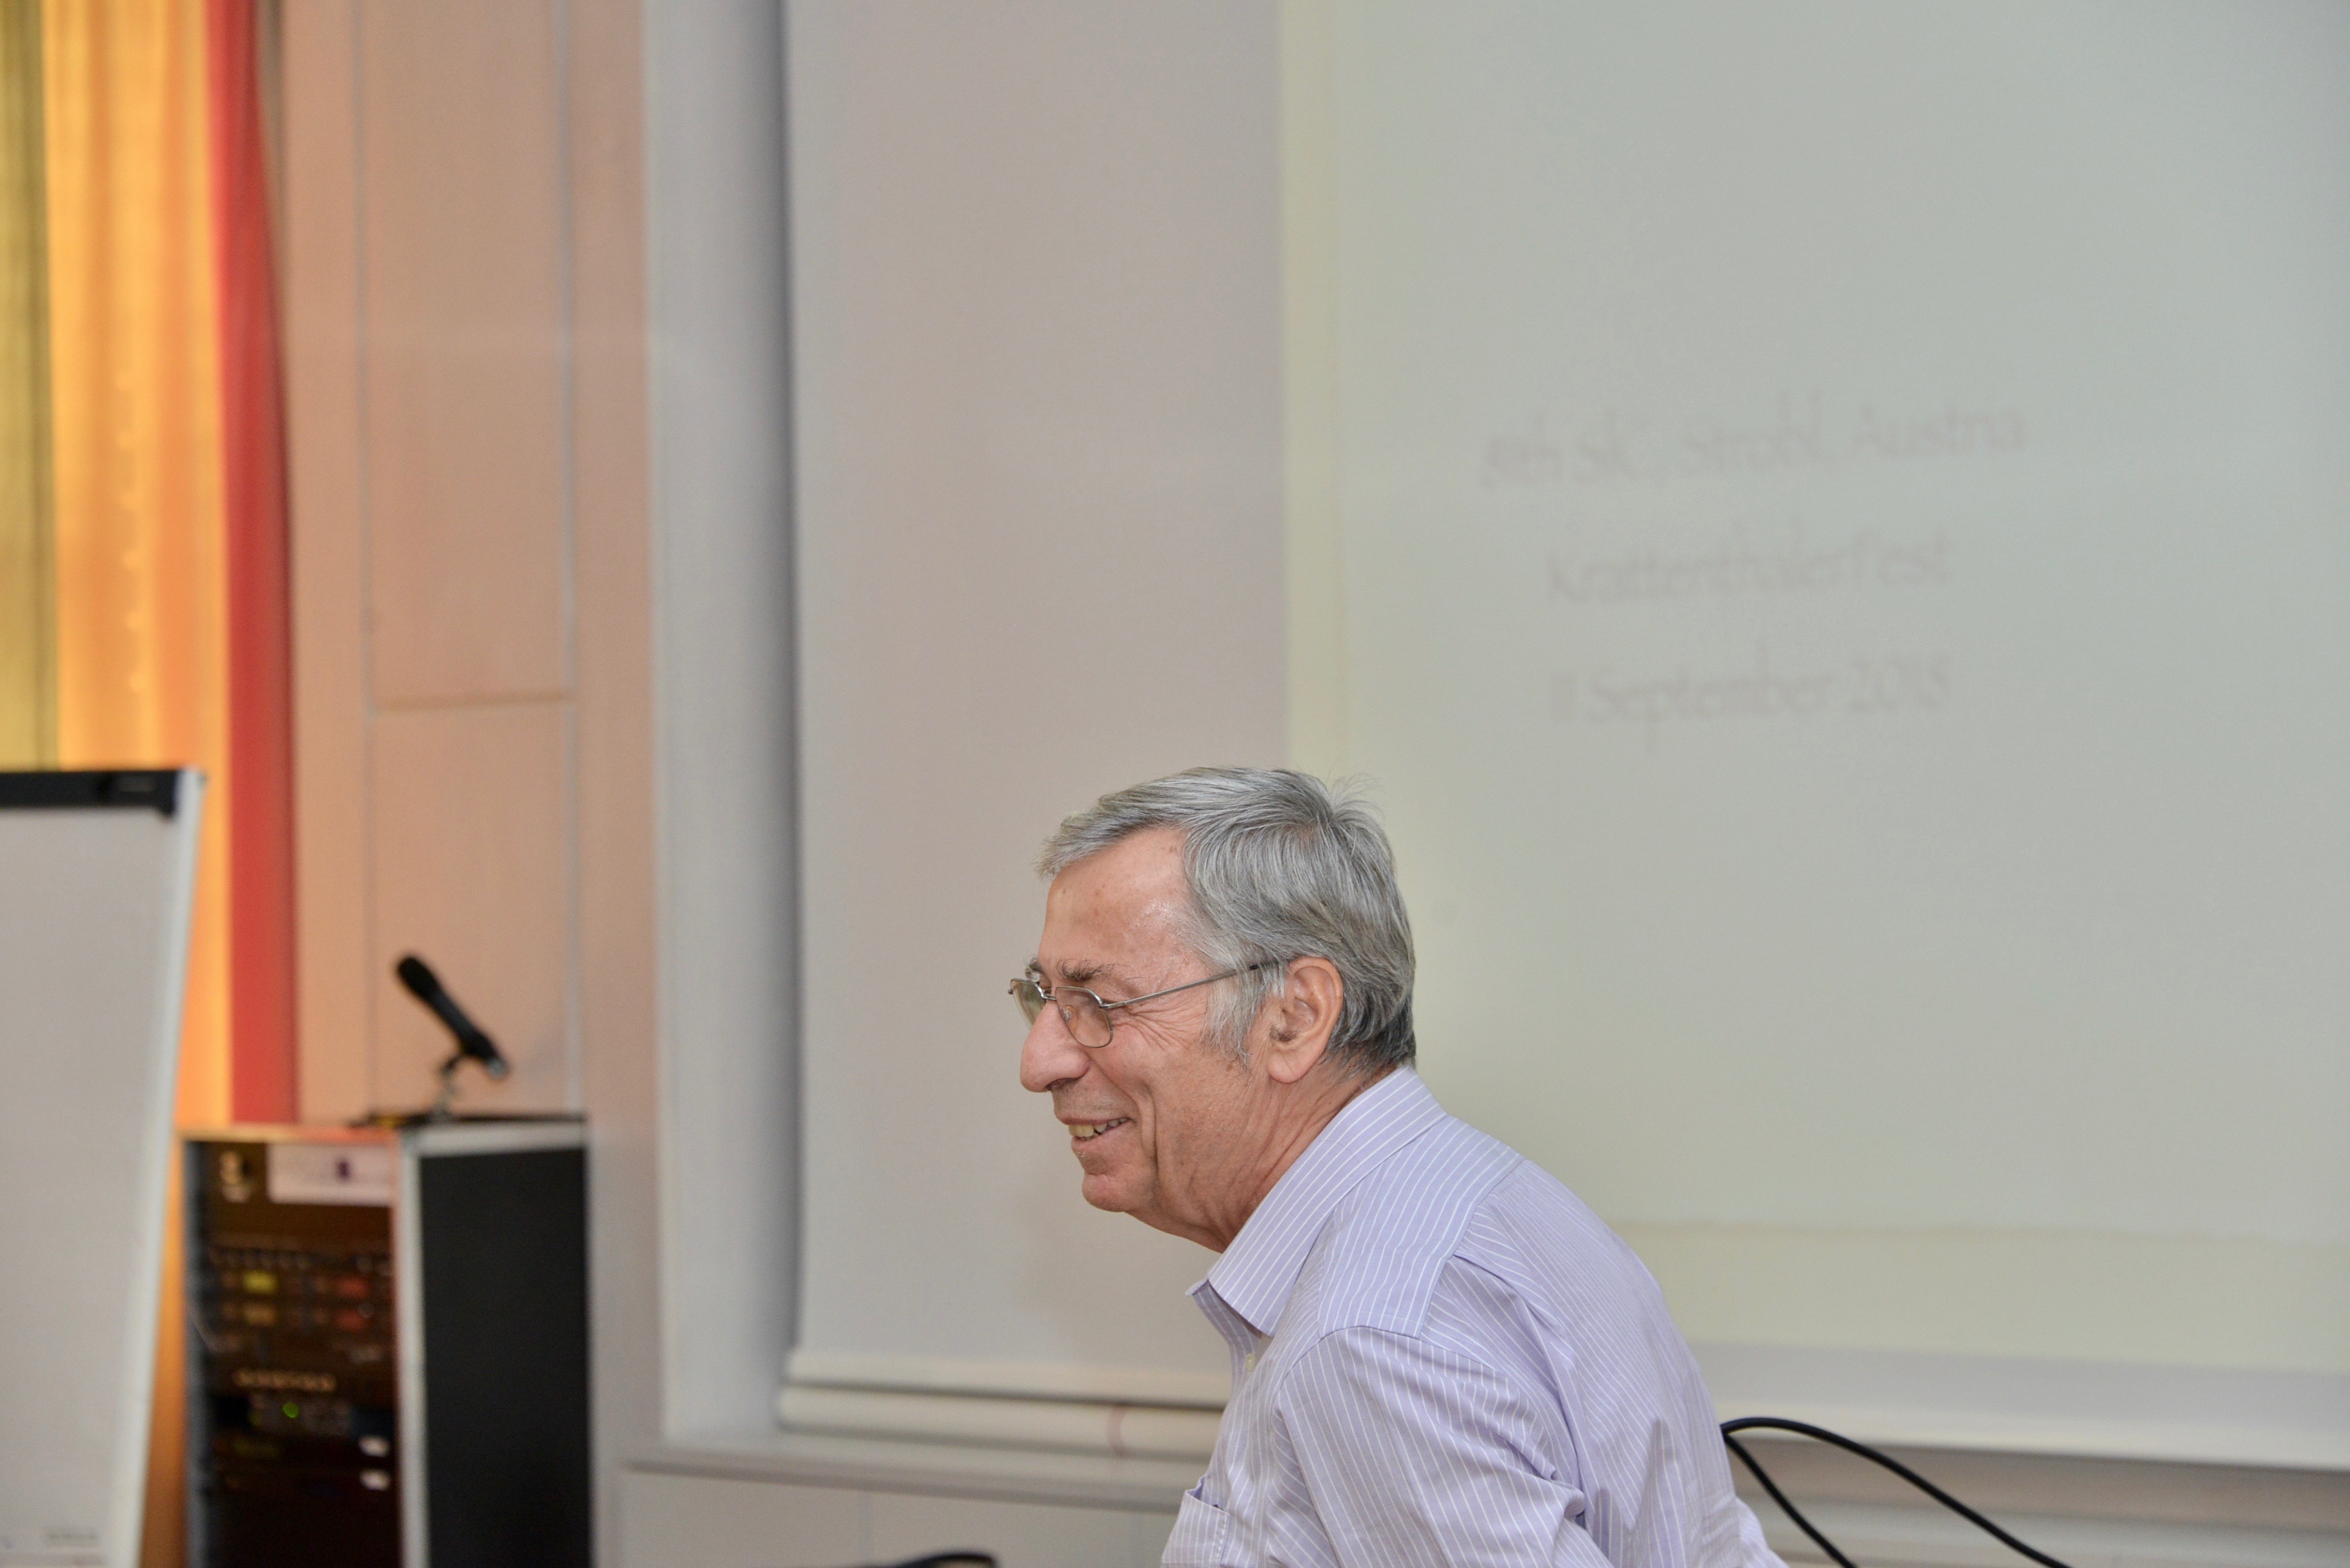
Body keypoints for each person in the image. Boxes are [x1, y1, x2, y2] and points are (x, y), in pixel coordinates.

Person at [1014, 767, 1783, 1568]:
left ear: (1294, 1017)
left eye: (1097, 1003)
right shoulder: (1480, 1193)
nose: (1039, 1061)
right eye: (1042, 998)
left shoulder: (1367, 1334)